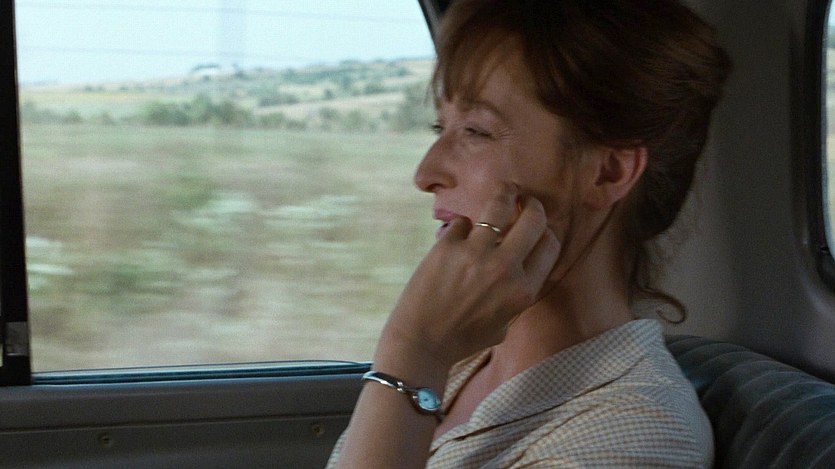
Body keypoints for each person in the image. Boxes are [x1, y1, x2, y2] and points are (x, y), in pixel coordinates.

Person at [328, 0, 731, 467]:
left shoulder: (636, 436)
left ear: (607, 171)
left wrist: (412, 351)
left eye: (477, 131)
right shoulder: (462, 362)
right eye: (441, 126)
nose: (426, 173)